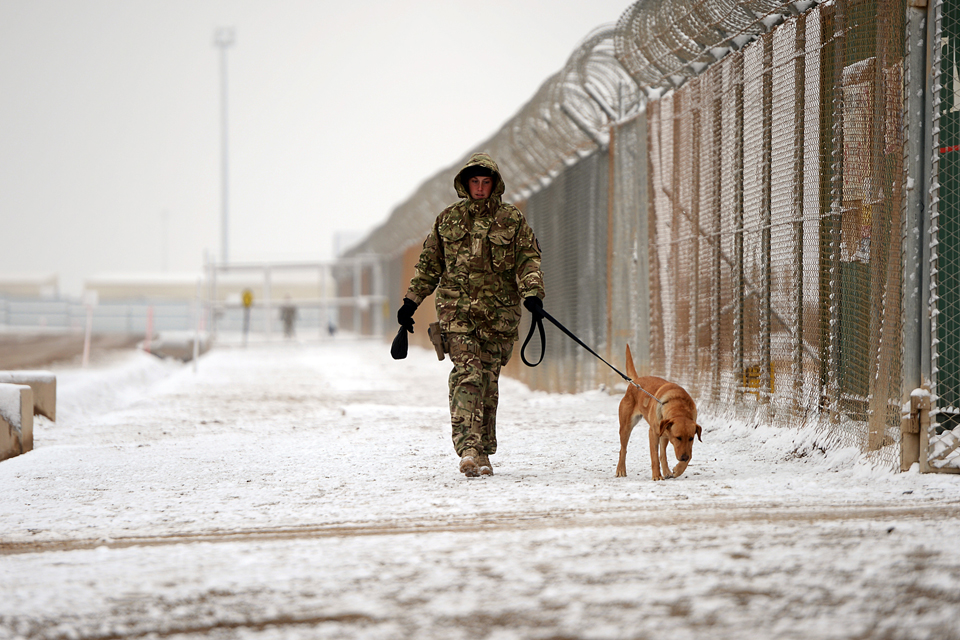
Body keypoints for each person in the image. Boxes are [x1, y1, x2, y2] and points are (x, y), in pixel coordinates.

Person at [397, 152, 544, 477]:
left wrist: (532, 294)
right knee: (468, 374)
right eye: (474, 182)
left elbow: (527, 260)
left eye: (485, 182)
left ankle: (484, 452)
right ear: (465, 184)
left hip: (499, 318)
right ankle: (467, 449)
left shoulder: (511, 219)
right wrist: (410, 303)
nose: (479, 188)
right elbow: (428, 266)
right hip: (457, 315)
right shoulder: (448, 220)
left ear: (495, 184)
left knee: (489, 383)